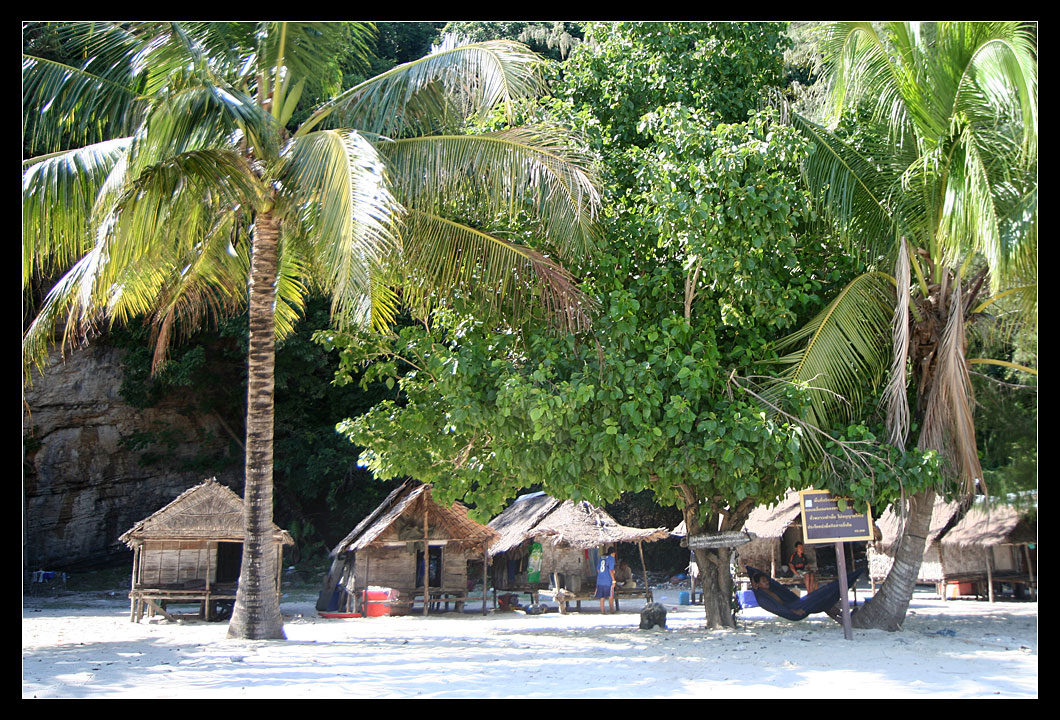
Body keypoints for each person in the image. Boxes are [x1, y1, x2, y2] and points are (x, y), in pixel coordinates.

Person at [595, 547, 617, 613]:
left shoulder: (602, 558)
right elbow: (611, 570)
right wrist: (613, 580)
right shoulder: (611, 558)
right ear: (613, 553)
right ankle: (611, 610)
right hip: (608, 580)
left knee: (602, 597)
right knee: (610, 595)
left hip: (600, 580)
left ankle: (602, 611)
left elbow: (598, 570)